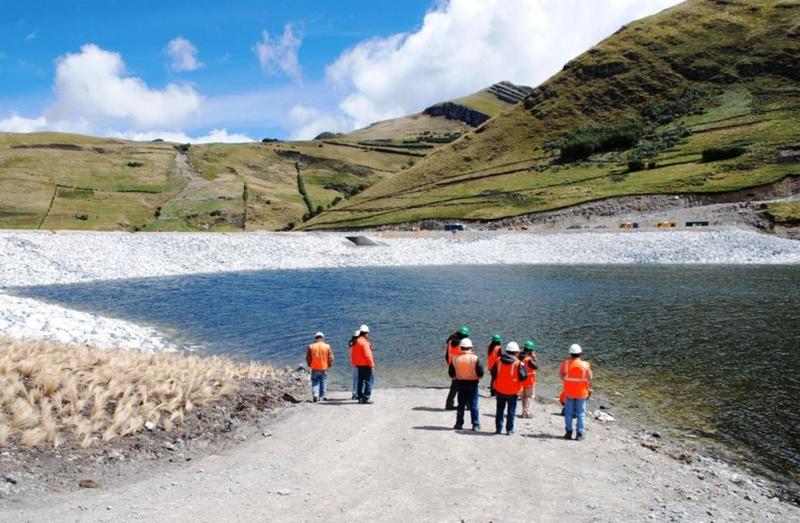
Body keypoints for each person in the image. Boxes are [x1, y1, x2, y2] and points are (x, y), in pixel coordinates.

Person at [491, 341, 527, 435]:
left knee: (499, 410)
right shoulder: (518, 363)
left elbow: (493, 374)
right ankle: (509, 430)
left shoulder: (498, 360)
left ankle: (498, 429)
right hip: (513, 391)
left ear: (507, 351)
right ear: (516, 352)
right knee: (511, 411)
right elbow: (523, 377)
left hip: (500, 389)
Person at [448, 337, 484, 431]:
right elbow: (481, 373)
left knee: (461, 405)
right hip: (473, 383)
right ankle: (475, 425)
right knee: (474, 405)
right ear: (470, 347)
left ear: (461, 347)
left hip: (460, 383)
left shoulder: (455, 358)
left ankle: (459, 424)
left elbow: (451, 373)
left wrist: (457, 376)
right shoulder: (475, 358)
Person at [560, 343, 592, 441]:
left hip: (569, 392)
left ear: (570, 354)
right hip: (581, 393)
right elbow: (590, 377)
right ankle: (580, 434)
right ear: (580, 353)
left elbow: (561, 376)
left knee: (568, 413)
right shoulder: (585, 365)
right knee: (580, 413)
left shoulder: (565, 364)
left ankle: (568, 433)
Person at [444, 326, 471, 410]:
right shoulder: (460, 345)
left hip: (451, 367)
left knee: (455, 387)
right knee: (464, 386)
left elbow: (446, 355)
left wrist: (449, 364)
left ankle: (449, 404)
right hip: (459, 368)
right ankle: (468, 405)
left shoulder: (450, 342)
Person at [306, 332, 334, 402]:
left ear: (315, 338)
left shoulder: (311, 346)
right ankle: (322, 396)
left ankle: (315, 394)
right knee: (323, 382)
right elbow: (331, 358)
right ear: (322, 338)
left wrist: (309, 365)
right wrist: (329, 365)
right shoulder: (327, 346)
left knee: (314, 381)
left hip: (314, 368)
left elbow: (308, 358)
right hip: (323, 368)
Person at [351, 324, 375, 404]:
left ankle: (360, 397)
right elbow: (368, 355)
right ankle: (365, 398)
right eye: (368, 333)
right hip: (366, 365)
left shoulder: (356, 342)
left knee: (360, 382)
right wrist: (371, 365)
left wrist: (355, 363)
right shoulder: (364, 343)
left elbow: (353, 354)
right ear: (365, 333)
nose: (368, 335)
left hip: (358, 365)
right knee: (369, 381)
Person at [519, 340, 538, 418]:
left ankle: (524, 412)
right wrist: (534, 358)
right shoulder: (529, 359)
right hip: (529, 381)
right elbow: (536, 366)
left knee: (523, 397)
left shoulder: (519, 356)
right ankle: (527, 413)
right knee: (529, 397)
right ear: (530, 350)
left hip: (521, 381)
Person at [348, 329, 360, 400]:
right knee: (358, 378)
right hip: (358, 363)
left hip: (353, 362)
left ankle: (354, 393)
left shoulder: (351, 343)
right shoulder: (357, 343)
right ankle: (356, 393)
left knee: (355, 378)